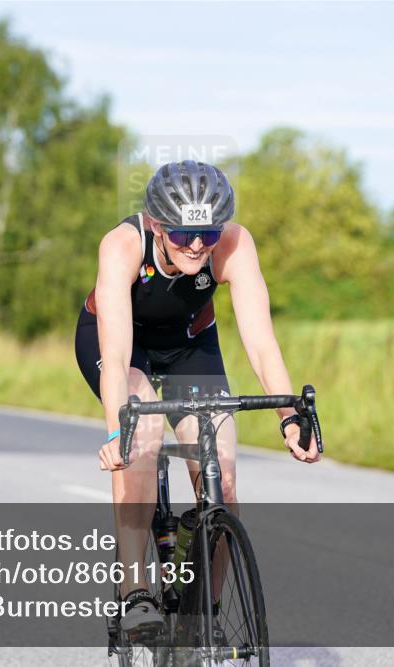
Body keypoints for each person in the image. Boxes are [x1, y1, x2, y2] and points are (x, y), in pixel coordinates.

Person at [74, 160, 320, 638]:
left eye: (207, 233)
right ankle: (135, 594)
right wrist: (117, 431)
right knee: (143, 434)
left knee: (222, 479)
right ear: (155, 225)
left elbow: (261, 343)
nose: (196, 245)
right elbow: (117, 353)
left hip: (189, 345)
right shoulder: (122, 245)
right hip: (122, 344)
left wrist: (289, 416)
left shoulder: (234, 243)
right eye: (183, 233)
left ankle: (202, 613)